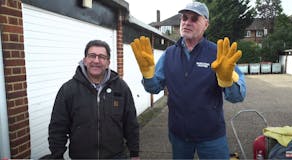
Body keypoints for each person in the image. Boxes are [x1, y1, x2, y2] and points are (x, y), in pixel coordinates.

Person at [130, 2, 246, 159]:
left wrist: (228, 81)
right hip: (179, 135)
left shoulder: (219, 53)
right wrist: (148, 75)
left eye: (194, 18)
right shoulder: (169, 54)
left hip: (211, 136)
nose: (187, 22)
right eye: (184, 18)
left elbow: (238, 96)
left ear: (206, 24)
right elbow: (154, 88)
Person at [48, 40, 139, 159]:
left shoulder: (121, 88)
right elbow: (57, 127)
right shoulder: (68, 90)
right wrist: (57, 155)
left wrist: (134, 153)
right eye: (92, 56)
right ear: (85, 60)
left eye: (102, 57)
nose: (96, 61)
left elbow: (131, 123)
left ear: (108, 63)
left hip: (115, 156)